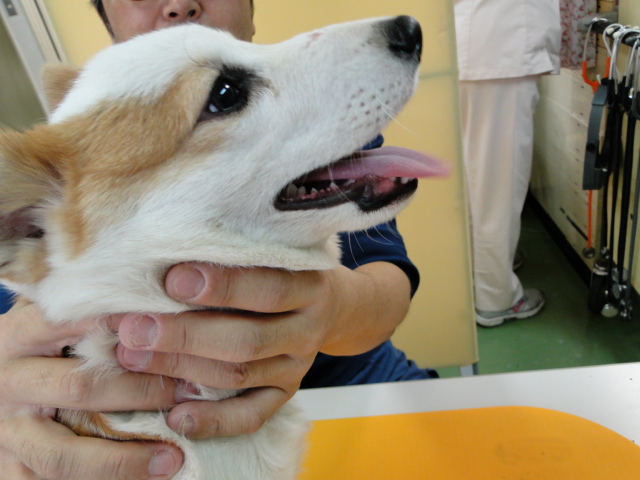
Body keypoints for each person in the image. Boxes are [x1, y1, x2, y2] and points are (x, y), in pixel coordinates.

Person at [0, 1, 436, 479]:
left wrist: (328, 307)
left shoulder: (320, 138)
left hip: (362, 396)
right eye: (226, 94)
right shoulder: (60, 199)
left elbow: (388, 286)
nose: (180, 2)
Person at [453, 0, 561, 327]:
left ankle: (486, 265)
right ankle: (496, 298)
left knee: (475, 177)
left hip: (475, 44)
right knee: (497, 186)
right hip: (503, 49)